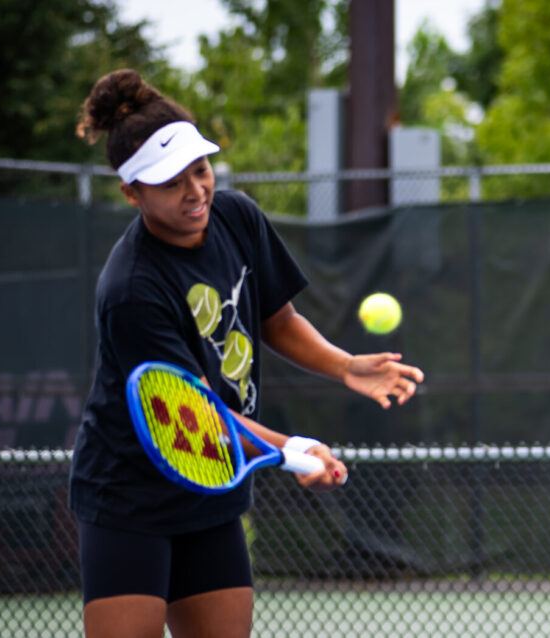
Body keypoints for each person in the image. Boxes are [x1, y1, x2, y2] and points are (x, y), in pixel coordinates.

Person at [68, 68, 425, 638]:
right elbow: (194, 411)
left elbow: (276, 318)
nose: (195, 191)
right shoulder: (131, 291)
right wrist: (291, 449)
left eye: (200, 170)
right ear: (131, 193)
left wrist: (346, 366)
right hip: (128, 497)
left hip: (210, 488)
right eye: (170, 182)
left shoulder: (237, 217)